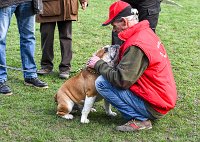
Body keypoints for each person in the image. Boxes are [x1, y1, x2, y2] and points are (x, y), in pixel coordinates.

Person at [87, 1, 177, 132]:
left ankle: (140, 119)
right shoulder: (145, 32)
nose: (114, 30)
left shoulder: (136, 45)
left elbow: (121, 80)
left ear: (124, 21)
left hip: (156, 105)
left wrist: (98, 64)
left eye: (114, 25)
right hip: (162, 97)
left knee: (101, 83)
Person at [0, 0, 48, 95]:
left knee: (29, 37)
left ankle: (30, 75)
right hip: (4, 2)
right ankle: (1, 78)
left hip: (27, 1)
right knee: (0, 39)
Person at [36, 0, 88, 79]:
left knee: (66, 37)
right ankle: (46, 66)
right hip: (48, 6)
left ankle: (65, 68)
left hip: (67, 6)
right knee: (46, 35)